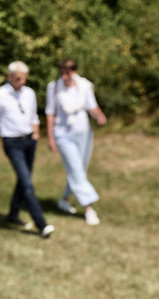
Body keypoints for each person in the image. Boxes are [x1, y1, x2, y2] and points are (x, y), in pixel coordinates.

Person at [0, 61, 55, 238]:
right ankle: (41, 224)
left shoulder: (29, 93)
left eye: (24, 79)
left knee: (24, 180)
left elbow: (33, 115)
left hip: (29, 141)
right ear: (9, 77)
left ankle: (13, 214)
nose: (22, 82)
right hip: (12, 143)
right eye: (18, 79)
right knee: (27, 183)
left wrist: (36, 130)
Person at [45, 58, 107, 226]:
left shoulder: (84, 86)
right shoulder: (54, 88)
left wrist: (99, 116)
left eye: (67, 72)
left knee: (79, 170)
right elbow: (50, 113)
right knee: (76, 170)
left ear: (74, 72)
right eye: (62, 72)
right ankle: (89, 208)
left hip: (84, 134)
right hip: (63, 134)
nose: (64, 76)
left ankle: (65, 199)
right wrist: (50, 137)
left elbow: (91, 106)